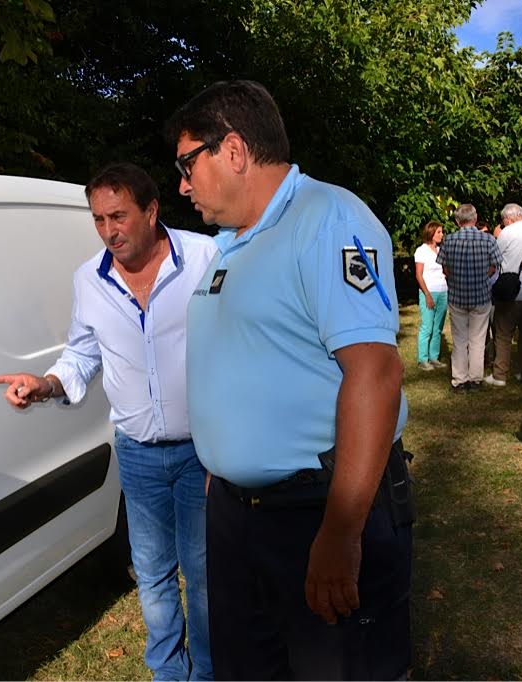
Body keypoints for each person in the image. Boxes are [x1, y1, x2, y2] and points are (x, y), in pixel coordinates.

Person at [168, 80, 413, 680]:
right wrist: (223, 465)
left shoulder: (326, 219)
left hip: (317, 510)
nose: (182, 185)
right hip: (239, 516)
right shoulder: (232, 243)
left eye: (186, 164)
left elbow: (375, 372)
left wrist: (342, 533)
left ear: (232, 150)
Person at [0, 163, 216, 681]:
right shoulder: (89, 279)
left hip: (202, 450)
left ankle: (207, 672)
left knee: (204, 572)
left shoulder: (205, 259)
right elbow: (82, 354)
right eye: (98, 219)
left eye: (119, 216)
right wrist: (46, 383)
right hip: (136, 452)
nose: (109, 231)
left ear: (151, 211)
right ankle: (168, 672)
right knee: (153, 572)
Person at [436, 203, 502, 393]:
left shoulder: (448, 240)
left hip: (457, 296)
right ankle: (475, 379)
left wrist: (455, 279)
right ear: (475, 218)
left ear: (457, 221)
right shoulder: (488, 240)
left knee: (459, 340)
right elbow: (494, 266)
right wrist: (482, 277)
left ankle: (459, 380)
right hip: (481, 296)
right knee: (478, 340)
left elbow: (444, 269)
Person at [486, 203, 522, 387]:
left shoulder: (507, 233)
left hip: (510, 292)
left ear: (508, 219)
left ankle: (499, 375)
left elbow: (494, 259)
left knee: (503, 334)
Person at [414, 220, 448, 371]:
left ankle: (434, 357)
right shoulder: (421, 251)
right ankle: (423, 359)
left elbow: (445, 271)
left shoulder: (441, 250)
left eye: (442, 232)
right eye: (439, 232)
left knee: (438, 327)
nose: (442, 234)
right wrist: (427, 294)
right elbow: (418, 275)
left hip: (443, 291)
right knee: (427, 326)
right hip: (428, 291)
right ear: (431, 233)